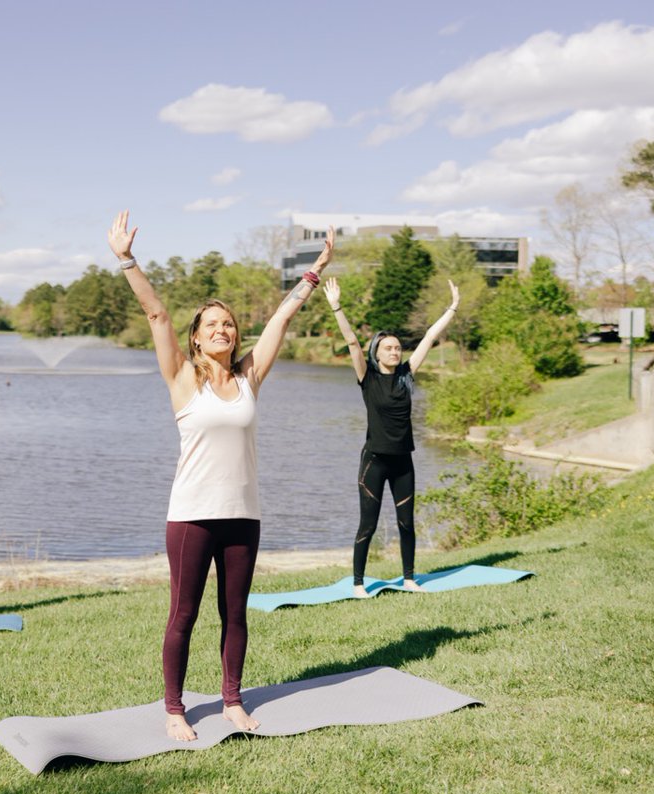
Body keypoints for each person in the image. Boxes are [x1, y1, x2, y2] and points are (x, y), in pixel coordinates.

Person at [108, 210, 333, 741]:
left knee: (236, 612)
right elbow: (157, 315)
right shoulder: (183, 380)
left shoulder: (250, 376)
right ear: (196, 338)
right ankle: (173, 708)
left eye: (228, 323)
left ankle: (232, 700)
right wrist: (126, 260)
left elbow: (279, 322)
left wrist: (313, 273)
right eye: (212, 324)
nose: (222, 330)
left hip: (243, 515)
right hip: (191, 516)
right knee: (183, 614)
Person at [322, 276, 459, 597]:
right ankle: (358, 584)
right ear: (377, 353)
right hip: (375, 461)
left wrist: (452, 308)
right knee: (367, 526)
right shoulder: (366, 377)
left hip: (403, 463)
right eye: (388, 348)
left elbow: (429, 336)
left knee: (406, 523)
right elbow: (353, 342)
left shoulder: (406, 375)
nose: (395, 351)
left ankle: (409, 578)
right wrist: (336, 307)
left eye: (398, 347)